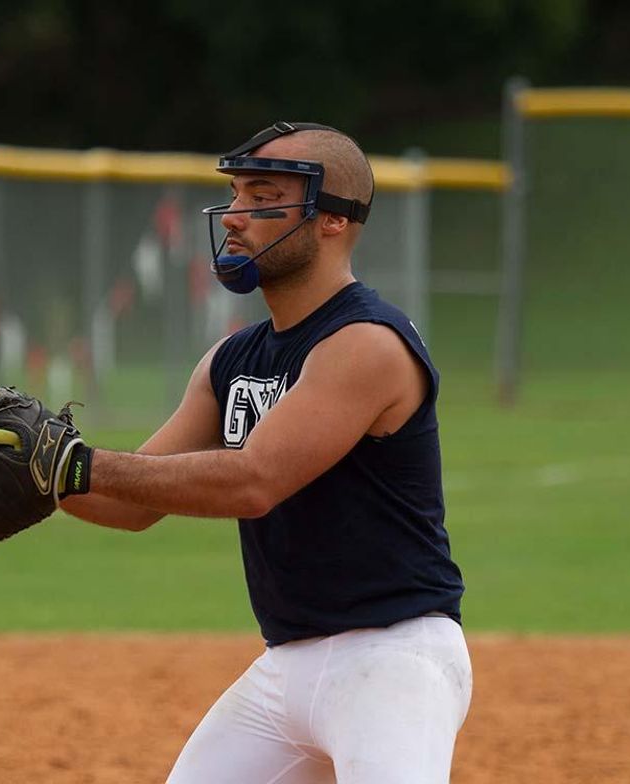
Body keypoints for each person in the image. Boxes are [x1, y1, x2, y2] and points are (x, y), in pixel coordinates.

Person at [59, 121, 471, 784]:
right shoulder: (231, 359)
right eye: (237, 195)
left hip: (393, 660)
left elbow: (253, 481)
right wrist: (36, 476)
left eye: (263, 197)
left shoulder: (366, 342)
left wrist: (75, 462)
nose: (236, 217)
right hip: (287, 668)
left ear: (332, 220)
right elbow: (128, 501)